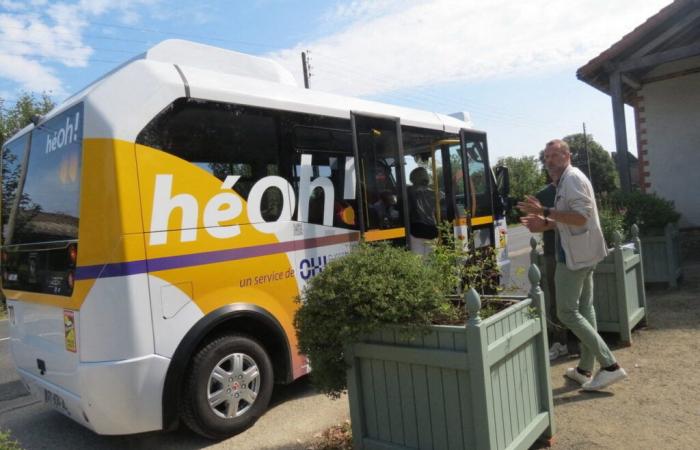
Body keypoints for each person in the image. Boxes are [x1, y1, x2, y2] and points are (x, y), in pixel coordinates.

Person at [518, 139, 627, 391]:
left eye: (555, 155)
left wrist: (544, 210)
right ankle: (584, 369)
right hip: (583, 253)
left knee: (566, 312)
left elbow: (580, 217)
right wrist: (543, 223)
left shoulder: (572, 179)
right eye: (546, 157)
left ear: (567, 156)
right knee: (585, 308)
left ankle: (610, 366)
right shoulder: (565, 180)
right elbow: (568, 218)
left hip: (573, 258)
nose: (549, 161)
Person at [535, 181, 579, 361]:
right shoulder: (543, 194)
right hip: (554, 253)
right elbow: (539, 222)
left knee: (578, 300)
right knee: (556, 299)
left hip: (575, 251)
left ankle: (577, 342)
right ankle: (560, 342)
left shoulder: (574, 186)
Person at [407, 167, 438, 255]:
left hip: (415, 230)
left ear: (412, 178)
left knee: (418, 262)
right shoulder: (435, 193)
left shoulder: (408, 191)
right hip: (432, 230)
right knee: (431, 260)